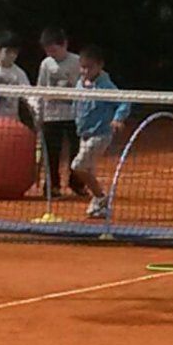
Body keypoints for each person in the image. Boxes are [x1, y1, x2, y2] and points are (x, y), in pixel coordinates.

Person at [71, 45, 131, 219]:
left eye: (89, 67)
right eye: (82, 67)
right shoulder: (79, 84)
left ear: (99, 66)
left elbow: (124, 102)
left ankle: (101, 197)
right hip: (84, 134)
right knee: (88, 171)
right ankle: (99, 205)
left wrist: (118, 118)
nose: (85, 71)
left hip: (100, 134)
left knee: (77, 166)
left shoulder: (106, 86)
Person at [35, 28, 85, 197]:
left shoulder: (77, 62)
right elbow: (40, 89)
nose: (52, 54)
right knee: (51, 153)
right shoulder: (46, 64)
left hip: (74, 115)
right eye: (48, 51)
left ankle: (77, 183)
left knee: (77, 152)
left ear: (64, 44)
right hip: (51, 116)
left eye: (54, 50)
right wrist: (39, 114)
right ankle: (52, 186)